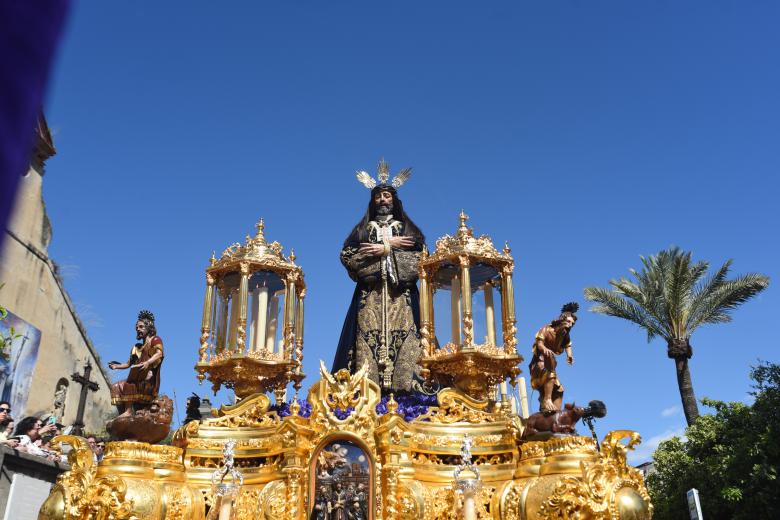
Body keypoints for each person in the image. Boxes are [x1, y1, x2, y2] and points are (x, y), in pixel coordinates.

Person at [332, 160, 427, 393]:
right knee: (364, 345)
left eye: (387, 195)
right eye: (378, 196)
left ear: (394, 199)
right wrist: (387, 250)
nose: (383, 200)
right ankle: (367, 393)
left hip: (402, 298)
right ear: (373, 201)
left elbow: (422, 259)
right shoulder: (363, 230)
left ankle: (408, 397)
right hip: (370, 298)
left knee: (410, 342)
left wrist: (386, 247)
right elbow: (348, 257)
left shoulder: (407, 229)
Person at [108, 310, 164, 417]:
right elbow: (128, 364)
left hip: (149, 380)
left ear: (149, 327)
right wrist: (116, 366)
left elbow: (159, 354)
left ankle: (128, 411)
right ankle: (122, 414)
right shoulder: (137, 347)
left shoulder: (155, 340)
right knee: (115, 386)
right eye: (137, 327)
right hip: (137, 377)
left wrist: (147, 362)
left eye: (141, 327)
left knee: (129, 384)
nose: (138, 329)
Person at [529, 303, 579, 413]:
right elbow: (539, 343)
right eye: (569, 322)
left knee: (559, 390)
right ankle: (547, 400)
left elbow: (568, 345)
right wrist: (544, 349)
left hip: (550, 364)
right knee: (550, 370)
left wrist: (569, 355)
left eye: (572, 324)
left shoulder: (565, 335)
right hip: (538, 364)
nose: (570, 325)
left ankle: (555, 414)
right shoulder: (546, 329)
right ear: (561, 320)